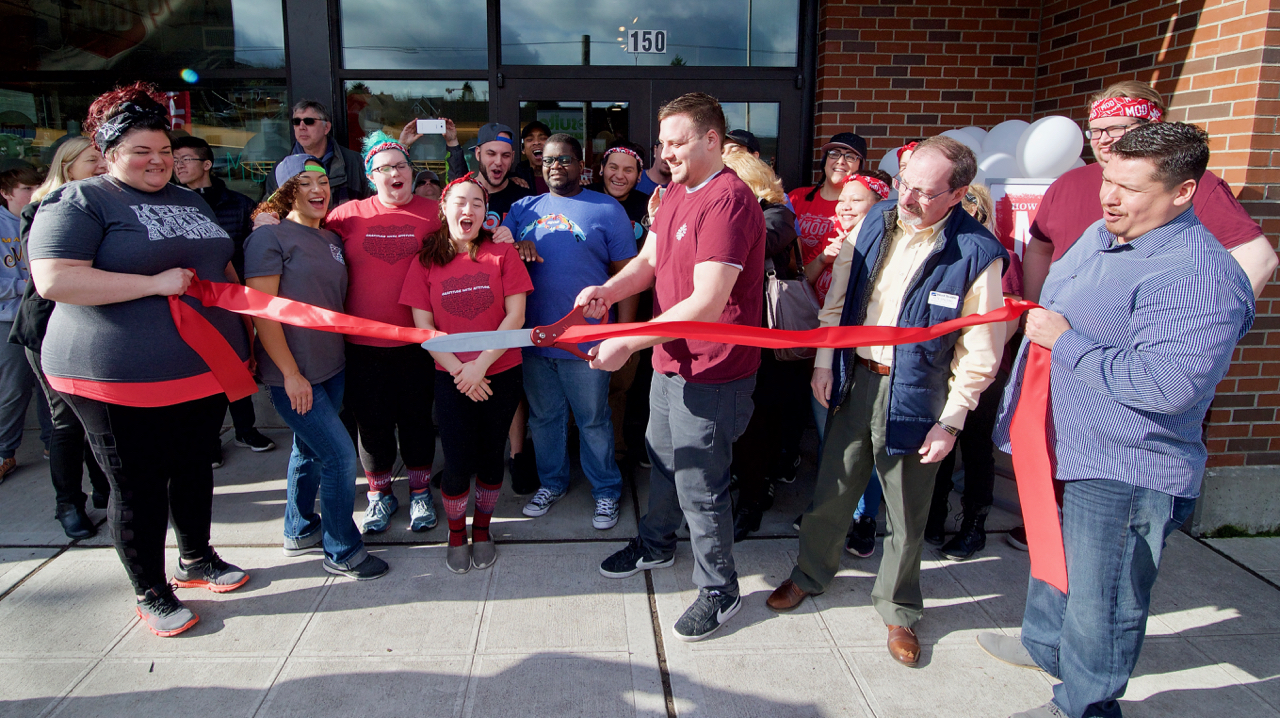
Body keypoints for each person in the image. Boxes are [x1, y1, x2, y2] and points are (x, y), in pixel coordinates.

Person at [979, 122, 1256, 718]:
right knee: (1054, 560)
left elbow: (1169, 387)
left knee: (1103, 599)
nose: (1109, 197)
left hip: (1125, 463)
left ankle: (1086, 703)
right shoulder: (1102, 236)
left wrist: (1067, 341)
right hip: (1066, 439)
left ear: (1182, 193)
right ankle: (1046, 647)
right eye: (1108, 179)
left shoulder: (1196, 273)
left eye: (1129, 189)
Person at [1004, 79, 1277, 552]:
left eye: (1120, 128)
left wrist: (1196, 336)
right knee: (1056, 551)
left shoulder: (1197, 194)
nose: (1106, 140)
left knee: (1101, 587)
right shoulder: (1073, 184)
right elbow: (1042, 245)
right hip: (1065, 385)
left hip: (1124, 422)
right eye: (1097, 131)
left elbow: (1258, 259)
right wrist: (1037, 320)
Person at [767, 137, 1008, 669]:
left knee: (906, 509)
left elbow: (982, 349)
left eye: (925, 192)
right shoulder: (875, 221)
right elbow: (839, 300)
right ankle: (809, 574)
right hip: (856, 380)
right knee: (832, 487)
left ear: (958, 194)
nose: (909, 198)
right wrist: (825, 364)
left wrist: (952, 419)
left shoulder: (977, 253)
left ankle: (899, 608)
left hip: (921, 395)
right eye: (904, 184)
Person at [29, 83, 250, 637]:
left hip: (199, 367)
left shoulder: (189, 199)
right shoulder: (82, 200)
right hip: (113, 376)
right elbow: (56, 279)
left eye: (163, 151)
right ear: (108, 155)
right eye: (140, 152)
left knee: (194, 466)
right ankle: (150, 588)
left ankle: (197, 557)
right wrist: (151, 284)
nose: (157, 161)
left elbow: (216, 266)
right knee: (138, 483)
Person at [578, 92, 766, 642]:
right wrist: (608, 290)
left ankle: (719, 588)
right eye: (663, 143)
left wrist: (628, 341)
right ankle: (657, 546)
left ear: (713, 139)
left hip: (714, 370)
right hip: (671, 361)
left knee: (701, 485)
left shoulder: (729, 201)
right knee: (661, 459)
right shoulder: (675, 193)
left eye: (677, 142)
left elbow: (708, 302)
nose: (667, 153)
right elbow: (650, 262)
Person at [244, 155, 388, 581]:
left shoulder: (329, 237)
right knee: (341, 457)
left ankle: (298, 528)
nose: (316, 189)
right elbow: (262, 314)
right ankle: (342, 549)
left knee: (308, 449)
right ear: (285, 191)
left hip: (332, 366)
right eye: (303, 182)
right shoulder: (268, 239)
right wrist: (290, 374)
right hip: (292, 373)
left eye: (322, 180)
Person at [500, 133, 637, 530]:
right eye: (547, 160)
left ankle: (607, 490)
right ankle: (552, 483)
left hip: (587, 339)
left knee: (593, 419)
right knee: (544, 419)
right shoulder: (522, 208)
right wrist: (515, 247)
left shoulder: (606, 209)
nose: (554, 166)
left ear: (582, 166)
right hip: (534, 339)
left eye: (564, 160)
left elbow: (627, 276)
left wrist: (622, 334)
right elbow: (492, 255)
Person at [401, 176, 533, 574]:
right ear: (444, 209)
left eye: (478, 203)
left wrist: (481, 366)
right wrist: (462, 370)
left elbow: (517, 316)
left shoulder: (502, 255)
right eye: (461, 202)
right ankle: (456, 531)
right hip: (451, 376)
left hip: (500, 372)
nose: (469, 210)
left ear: (486, 212)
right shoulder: (425, 261)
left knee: (492, 458)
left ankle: (483, 530)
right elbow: (423, 327)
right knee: (457, 461)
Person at [327, 132, 442, 534]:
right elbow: (299, 225)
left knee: (416, 422)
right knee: (371, 424)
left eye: (402, 166)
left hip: (418, 343)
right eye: (385, 168)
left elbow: (470, 235)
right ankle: (379, 495)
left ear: (412, 171)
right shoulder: (346, 215)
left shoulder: (435, 212)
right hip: (361, 346)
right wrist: (265, 218)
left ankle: (421, 493)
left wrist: (501, 234)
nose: (395, 173)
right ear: (370, 175)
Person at [7, 138, 109, 538]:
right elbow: (50, 279)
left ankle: (104, 489)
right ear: (67, 167)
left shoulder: (110, 204)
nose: (102, 166)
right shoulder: (44, 209)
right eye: (92, 160)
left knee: (100, 416)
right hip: (51, 326)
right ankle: (68, 502)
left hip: (96, 323)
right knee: (66, 421)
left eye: (105, 159)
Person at [922, 182, 1020, 560]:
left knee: (976, 451)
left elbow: (1005, 324)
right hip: (938, 370)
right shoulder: (941, 253)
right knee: (938, 448)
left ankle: (974, 526)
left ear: (981, 212)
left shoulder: (997, 255)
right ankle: (935, 514)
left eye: (970, 205)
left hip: (982, 374)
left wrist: (969, 341)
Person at [801, 169, 895, 559]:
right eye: (841, 199)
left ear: (881, 205)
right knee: (833, 443)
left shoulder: (891, 247)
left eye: (855, 200)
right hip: (834, 357)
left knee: (869, 449)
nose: (844, 206)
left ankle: (864, 518)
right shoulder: (843, 245)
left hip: (876, 365)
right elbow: (830, 309)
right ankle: (833, 515)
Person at [170, 136, 277, 463]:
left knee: (237, 363)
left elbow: (251, 249)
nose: (179, 166)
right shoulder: (171, 204)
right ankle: (209, 439)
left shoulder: (238, 204)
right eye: (175, 160)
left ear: (206, 164)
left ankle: (245, 429)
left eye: (185, 159)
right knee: (203, 370)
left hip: (232, 296)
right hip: (185, 301)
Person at [718, 150, 802, 540]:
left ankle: (753, 499)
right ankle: (742, 483)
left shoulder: (777, 214)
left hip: (767, 341)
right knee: (734, 424)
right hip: (730, 333)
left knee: (758, 424)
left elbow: (757, 248)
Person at [468, 122, 537, 489]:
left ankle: (518, 456)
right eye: (491, 153)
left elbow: (536, 239)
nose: (498, 162)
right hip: (465, 302)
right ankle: (469, 457)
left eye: (506, 155)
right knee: (466, 380)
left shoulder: (524, 196)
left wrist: (522, 243)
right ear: (477, 154)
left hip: (510, 304)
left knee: (511, 384)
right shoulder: (462, 190)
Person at [588, 142, 652, 464]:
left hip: (639, 313)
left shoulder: (649, 207)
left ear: (640, 176)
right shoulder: (584, 200)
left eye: (629, 170)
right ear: (601, 169)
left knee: (631, 384)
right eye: (613, 167)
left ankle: (627, 447)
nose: (619, 175)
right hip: (590, 314)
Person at [0, 164, 52, 484]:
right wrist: (32, 285)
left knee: (50, 385)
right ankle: (5, 451)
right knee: (15, 388)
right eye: (25, 189)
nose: (33, 194)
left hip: (45, 312)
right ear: (5, 193)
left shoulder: (41, 220)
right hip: (8, 318)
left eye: (36, 187)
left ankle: (53, 444)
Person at [789, 132, 866, 309]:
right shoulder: (796, 198)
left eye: (850, 156)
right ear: (825, 161)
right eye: (835, 153)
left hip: (837, 305)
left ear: (860, 165)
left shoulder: (858, 211)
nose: (841, 161)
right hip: (795, 300)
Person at [264, 100, 369, 208]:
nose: (302, 127)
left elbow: (369, 205)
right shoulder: (281, 168)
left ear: (326, 128)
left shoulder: (354, 162)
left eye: (309, 121)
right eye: (296, 121)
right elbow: (271, 209)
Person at [513, 120, 551, 194]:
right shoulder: (515, 181)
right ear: (523, 149)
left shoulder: (563, 178)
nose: (536, 142)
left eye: (543, 138)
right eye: (530, 139)